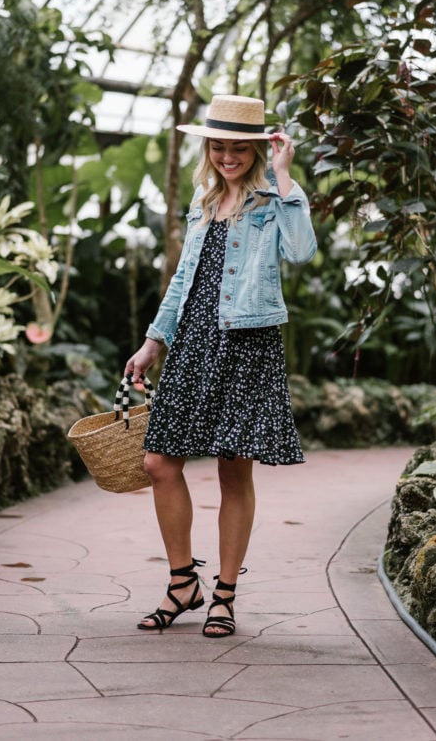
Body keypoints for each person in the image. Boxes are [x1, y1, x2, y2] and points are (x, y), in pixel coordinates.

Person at [125, 93, 317, 637]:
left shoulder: (271, 200)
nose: (227, 156)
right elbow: (184, 279)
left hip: (247, 342)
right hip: (193, 343)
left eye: (238, 147)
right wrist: (153, 341)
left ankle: (224, 596)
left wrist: (285, 176)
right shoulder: (203, 202)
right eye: (219, 146)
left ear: (256, 150)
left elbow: (302, 252)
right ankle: (183, 583)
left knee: (234, 472)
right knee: (159, 463)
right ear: (207, 148)